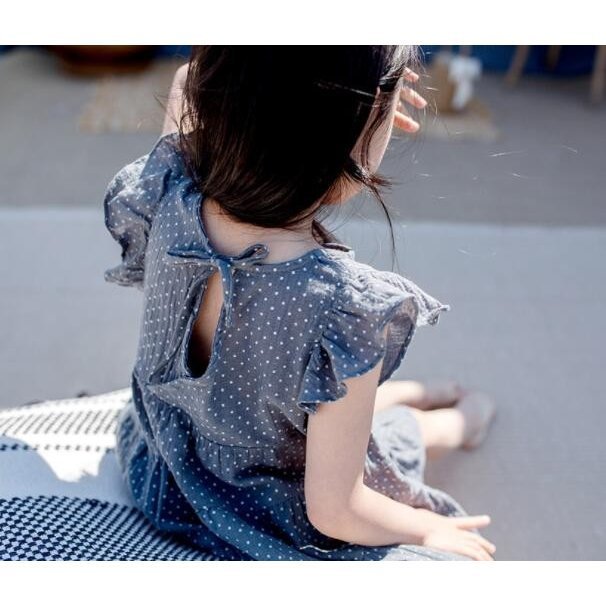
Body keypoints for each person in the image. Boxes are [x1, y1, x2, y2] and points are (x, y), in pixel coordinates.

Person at [104, 46, 497, 561]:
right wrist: (426, 529)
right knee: (398, 436)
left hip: (165, 466)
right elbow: (337, 509)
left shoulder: (170, 184)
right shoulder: (343, 308)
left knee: (323, 411)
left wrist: (352, 97)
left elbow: (189, 79)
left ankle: (405, 395)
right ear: (361, 128)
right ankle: (463, 423)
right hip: (257, 508)